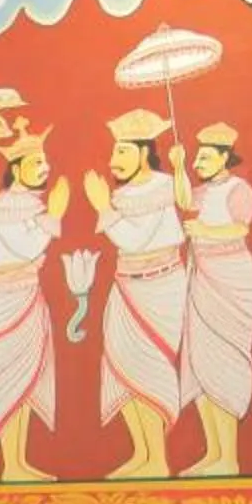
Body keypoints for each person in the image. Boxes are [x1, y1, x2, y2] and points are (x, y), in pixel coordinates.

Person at [83, 108, 190, 481]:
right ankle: (142, 453)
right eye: (114, 153)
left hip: (159, 286)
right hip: (125, 284)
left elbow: (135, 239)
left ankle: (158, 458)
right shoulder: (124, 194)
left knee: (148, 366)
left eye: (123, 152)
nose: (114, 161)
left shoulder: (163, 187)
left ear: (145, 152)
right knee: (118, 364)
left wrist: (101, 207)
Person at [0, 118, 68, 483]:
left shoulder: (30, 206)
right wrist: (55, 216)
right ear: (17, 168)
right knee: (8, 381)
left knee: (26, 380)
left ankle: (19, 462)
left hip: (29, 296)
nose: (45, 169)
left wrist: (49, 216)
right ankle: (11, 465)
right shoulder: (3, 208)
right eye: (36, 163)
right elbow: (27, 248)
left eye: (45, 162)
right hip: (3, 302)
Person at [178, 124, 252, 477]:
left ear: (225, 157)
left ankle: (229, 456)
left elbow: (241, 228)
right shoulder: (200, 190)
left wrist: (207, 232)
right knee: (200, 362)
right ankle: (213, 452)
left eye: (205, 156)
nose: (200, 162)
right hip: (201, 277)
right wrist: (178, 165)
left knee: (224, 361)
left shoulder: (239, 189)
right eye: (197, 156)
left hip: (231, 277)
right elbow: (183, 201)